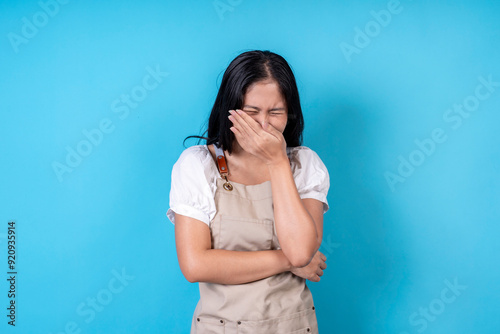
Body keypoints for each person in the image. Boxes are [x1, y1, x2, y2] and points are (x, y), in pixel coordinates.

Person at [167, 50, 330, 333]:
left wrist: (278, 162)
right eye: (252, 112)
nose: (264, 125)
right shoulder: (198, 165)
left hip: (291, 325)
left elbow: (302, 250)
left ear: (289, 113)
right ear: (229, 108)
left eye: (275, 112)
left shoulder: (304, 164)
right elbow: (195, 265)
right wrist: (287, 262)